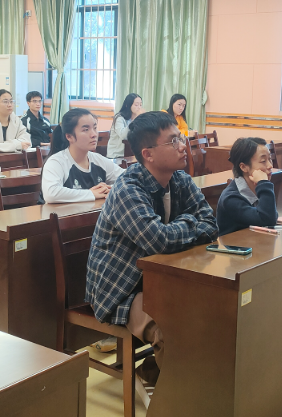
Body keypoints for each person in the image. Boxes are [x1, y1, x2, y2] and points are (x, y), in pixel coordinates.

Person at [86, 111, 218, 395]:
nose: (182, 146)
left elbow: (210, 224)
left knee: (213, 313)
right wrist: (190, 223)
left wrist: (179, 228)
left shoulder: (180, 179)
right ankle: (175, 405)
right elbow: (158, 241)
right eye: (173, 141)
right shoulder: (128, 188)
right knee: (169, 331)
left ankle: (152, 374)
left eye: (180, 138)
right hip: (121, 289)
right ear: (148, 154)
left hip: (159, 279)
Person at [42, 108, 123, 204]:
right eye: (86, 130)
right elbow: (51, 193)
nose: (94, 134)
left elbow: (128, 178)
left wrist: (110, 189)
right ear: (69, 136)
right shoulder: (56, 162)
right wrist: (91, 194)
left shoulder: (98, 160)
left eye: (95, 128)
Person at [216, 137, 277, 236]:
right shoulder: (231, 199)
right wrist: (263, 183)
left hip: (256, 241)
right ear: (244, 167)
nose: (270, 166)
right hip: (236, 245)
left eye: (270, 159)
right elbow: (267, 220)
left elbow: (272, 215)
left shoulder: (256, 188)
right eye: (263, 161)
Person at [108, 93, 143, 158]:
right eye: (136, 105)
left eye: (140, 105)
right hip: (116, 155)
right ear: (128, 105)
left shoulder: (136, 119)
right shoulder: (119, 118)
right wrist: (134, 120)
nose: (139, 107)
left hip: (130, 154)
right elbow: (123, 136)